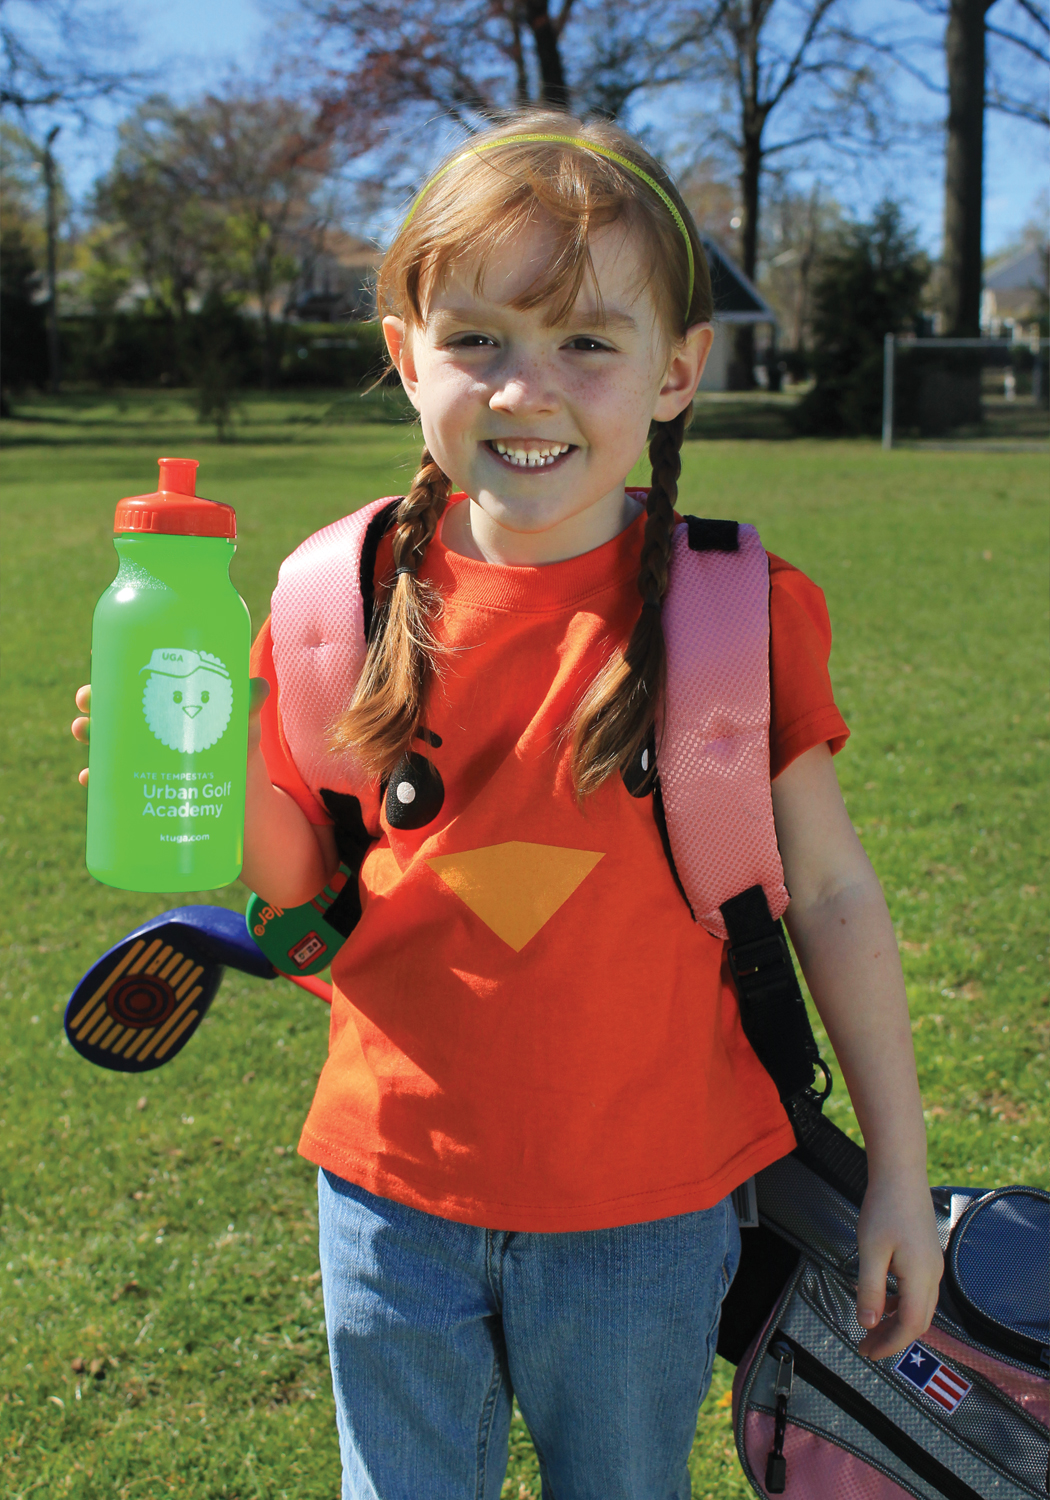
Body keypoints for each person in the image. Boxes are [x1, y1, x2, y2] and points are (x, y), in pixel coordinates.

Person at [73, 114, 944, 1500]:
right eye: (476, 339)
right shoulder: (331, 598)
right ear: (405, 350)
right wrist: (202, 767)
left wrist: (898, 1172)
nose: (526, 392)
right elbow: (311, 890)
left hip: (645, 1214)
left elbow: (830, 892)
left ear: (676, 371)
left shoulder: (731, 612)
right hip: (387, 1193)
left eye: (586, 344)